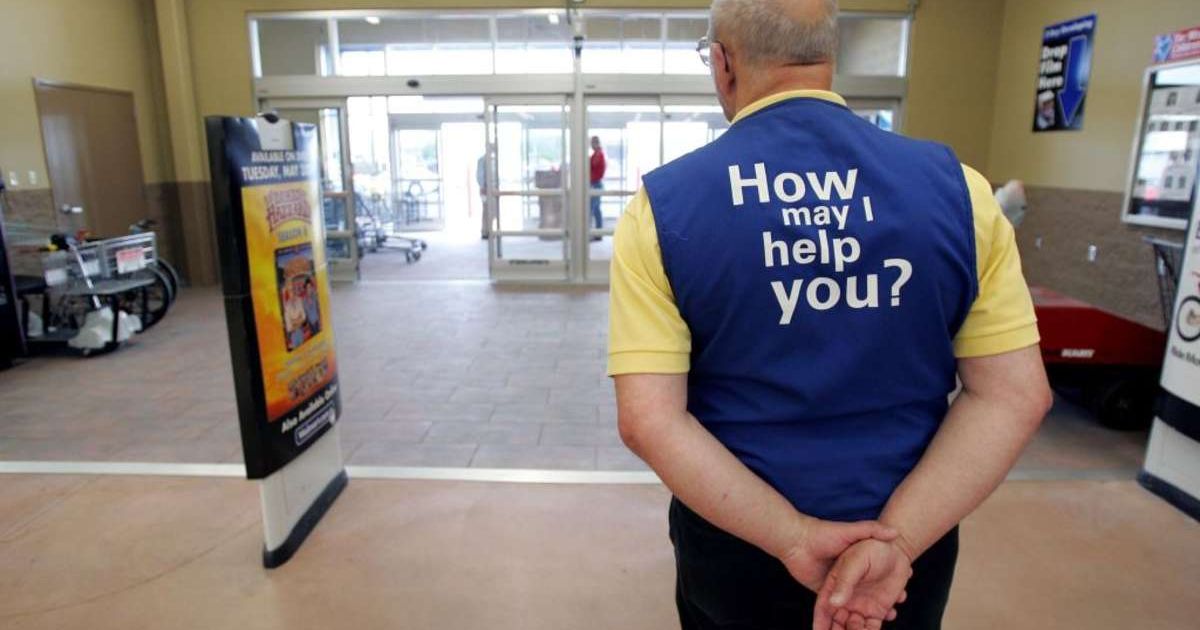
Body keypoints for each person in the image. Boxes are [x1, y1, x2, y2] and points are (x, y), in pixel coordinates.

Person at [607, 1, 1052, 629]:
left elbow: (648, 421)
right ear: (829, 56)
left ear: (723, 62)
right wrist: (894, 542)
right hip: (903, 557)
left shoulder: (662, 210)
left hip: (739, 552)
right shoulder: (962, 193)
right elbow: (1014, 396)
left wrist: (793, 536)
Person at [590, 136, 607, 241]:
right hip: (593, 184)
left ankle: (598, 233)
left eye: (593, 143)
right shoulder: (595, 155)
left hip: (596, 184)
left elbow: (595, 167)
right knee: (595, 209)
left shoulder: (599, 155)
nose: (592, 145)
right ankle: (597, 232)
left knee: (594, 209)